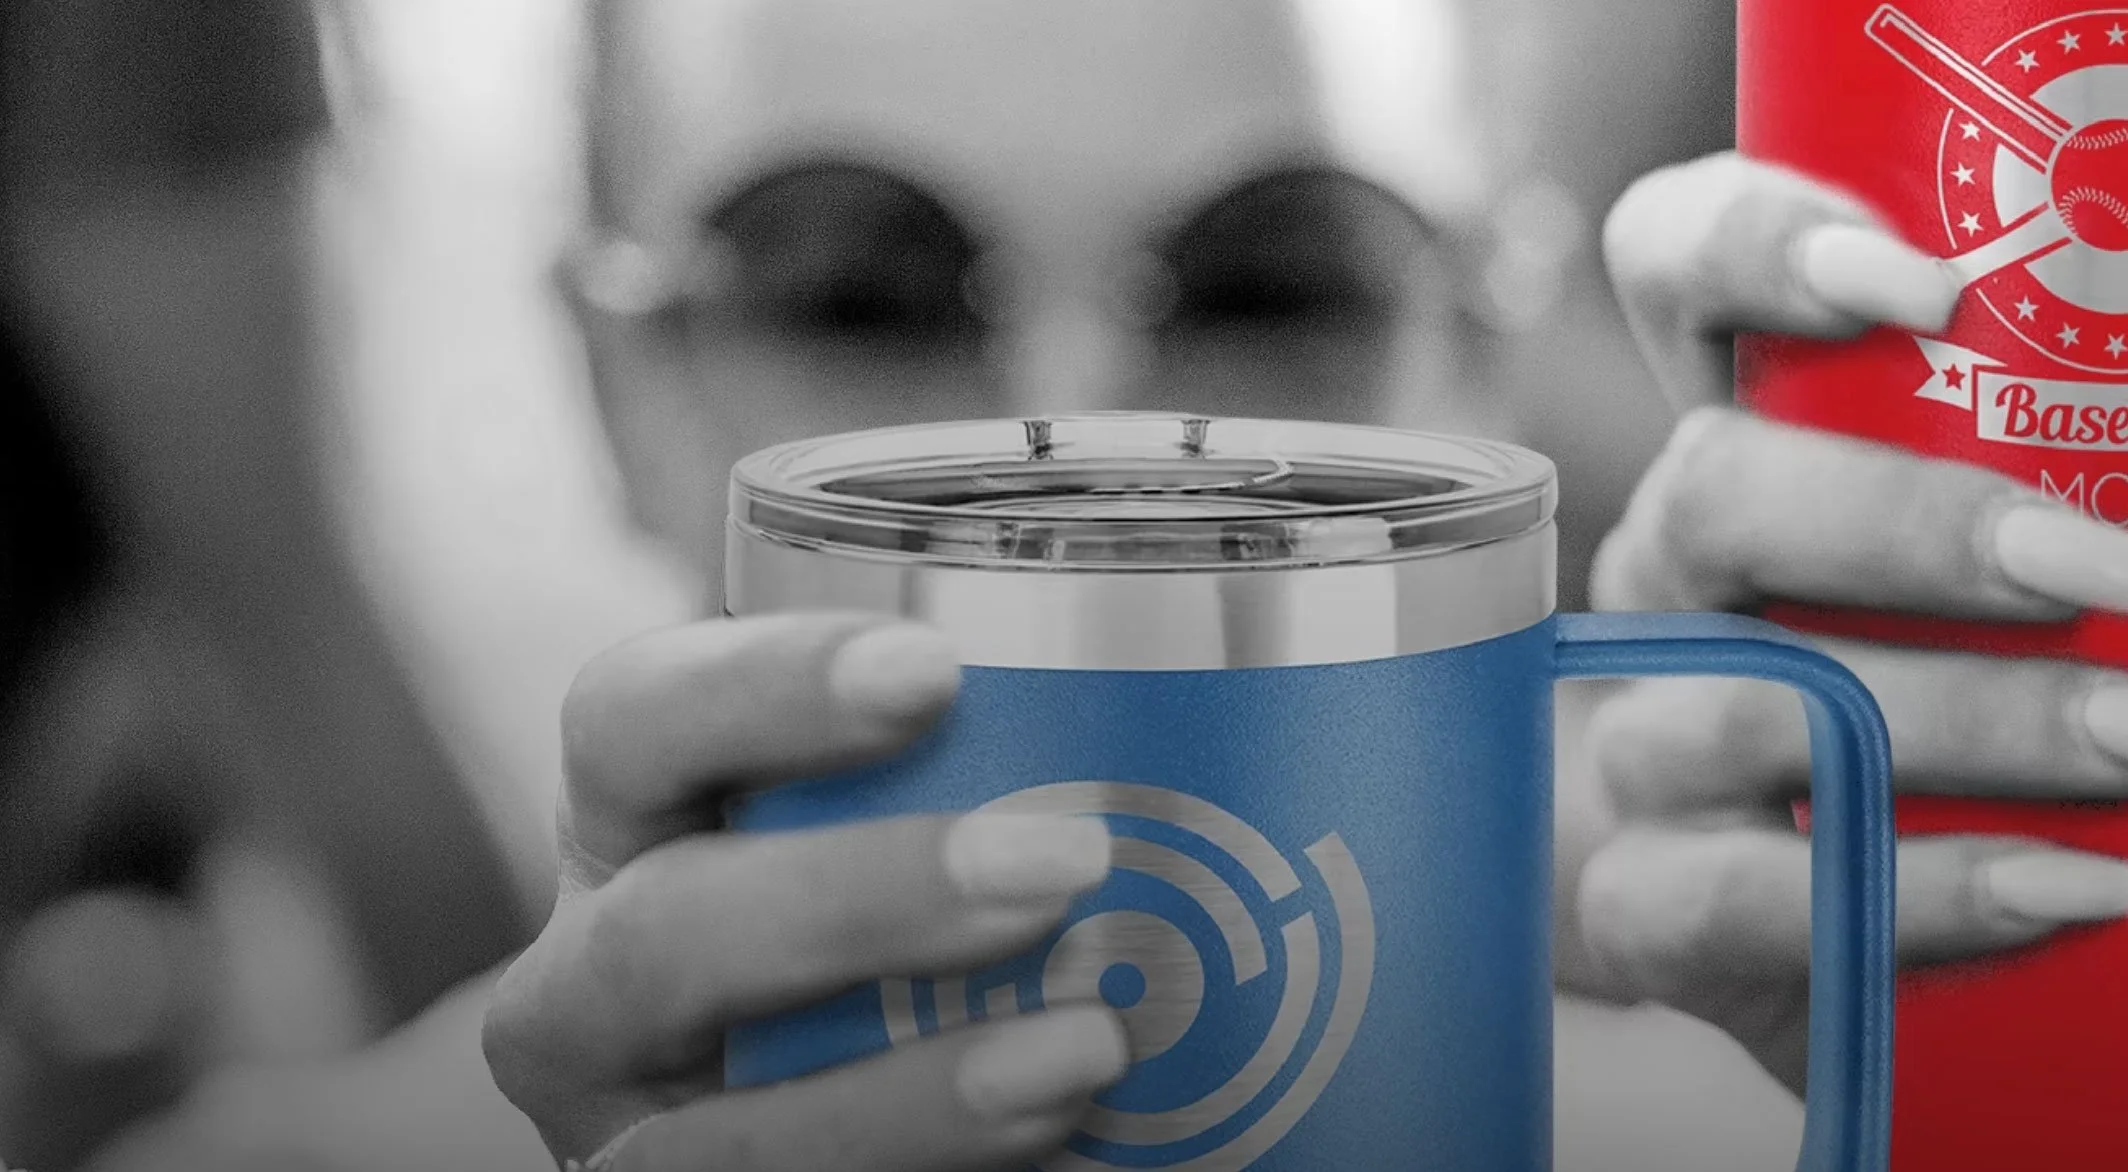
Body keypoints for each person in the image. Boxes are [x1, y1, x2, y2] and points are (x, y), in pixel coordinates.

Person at [94, 0, 2128, 1168]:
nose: (1085, 442)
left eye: (1268, 274)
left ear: (1470, 352)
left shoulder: (1794, 1095)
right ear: (609, 381)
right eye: (855, 285)